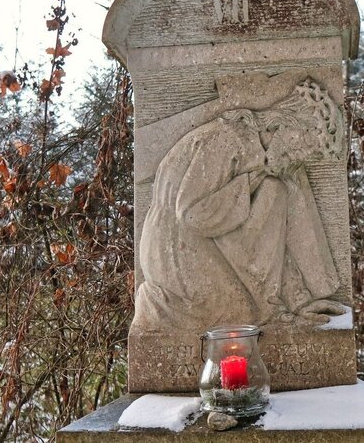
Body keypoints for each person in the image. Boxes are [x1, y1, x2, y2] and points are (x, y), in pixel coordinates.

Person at [133, 79, 347, 332]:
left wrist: (297, 300)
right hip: (174, 252)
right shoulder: (227, 139)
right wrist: (251, 180)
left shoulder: (259, 157)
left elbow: (268, 237)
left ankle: (275, 305)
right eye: (295, 151)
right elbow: (193, 215)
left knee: (275, 189)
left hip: (198, 245)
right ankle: (163, 305)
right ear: (279, 126)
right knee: (239, 314)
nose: (295, 160)